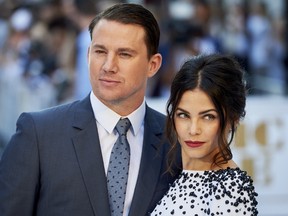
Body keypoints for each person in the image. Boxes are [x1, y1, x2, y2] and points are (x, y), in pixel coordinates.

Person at [0, 3, 180, 216]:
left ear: (153, 65)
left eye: (124, 54)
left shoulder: (176, 139)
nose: (108, 65)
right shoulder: (39, 134)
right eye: (100, 51)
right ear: (88, 55)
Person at [150, 53, 258, 215]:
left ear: (233, 119)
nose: (193, 130)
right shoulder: (179, 172)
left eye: (208, 117)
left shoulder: (229, 192)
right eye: (184, 115)